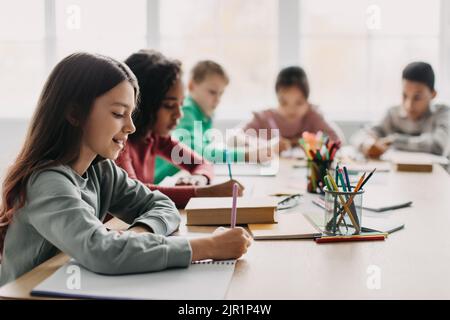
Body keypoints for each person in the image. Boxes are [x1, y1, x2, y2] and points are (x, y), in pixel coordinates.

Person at [0, 52, 251, 286]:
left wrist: (140, 232)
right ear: (75, 113)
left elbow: (162, 204)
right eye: (119, 113)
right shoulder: (47, 182)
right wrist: (209, 247)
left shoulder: (102, 171)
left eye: (131, 113)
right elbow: (101, 251)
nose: (130, 126)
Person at [352, 61, 450, 158]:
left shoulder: (443, 113)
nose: (409, 105)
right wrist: (368, 144)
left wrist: (394, 141)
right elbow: (359, 136)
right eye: (405, 96)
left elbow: (438, 146)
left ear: (433, 94)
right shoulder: (392, 114)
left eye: (417, 97)